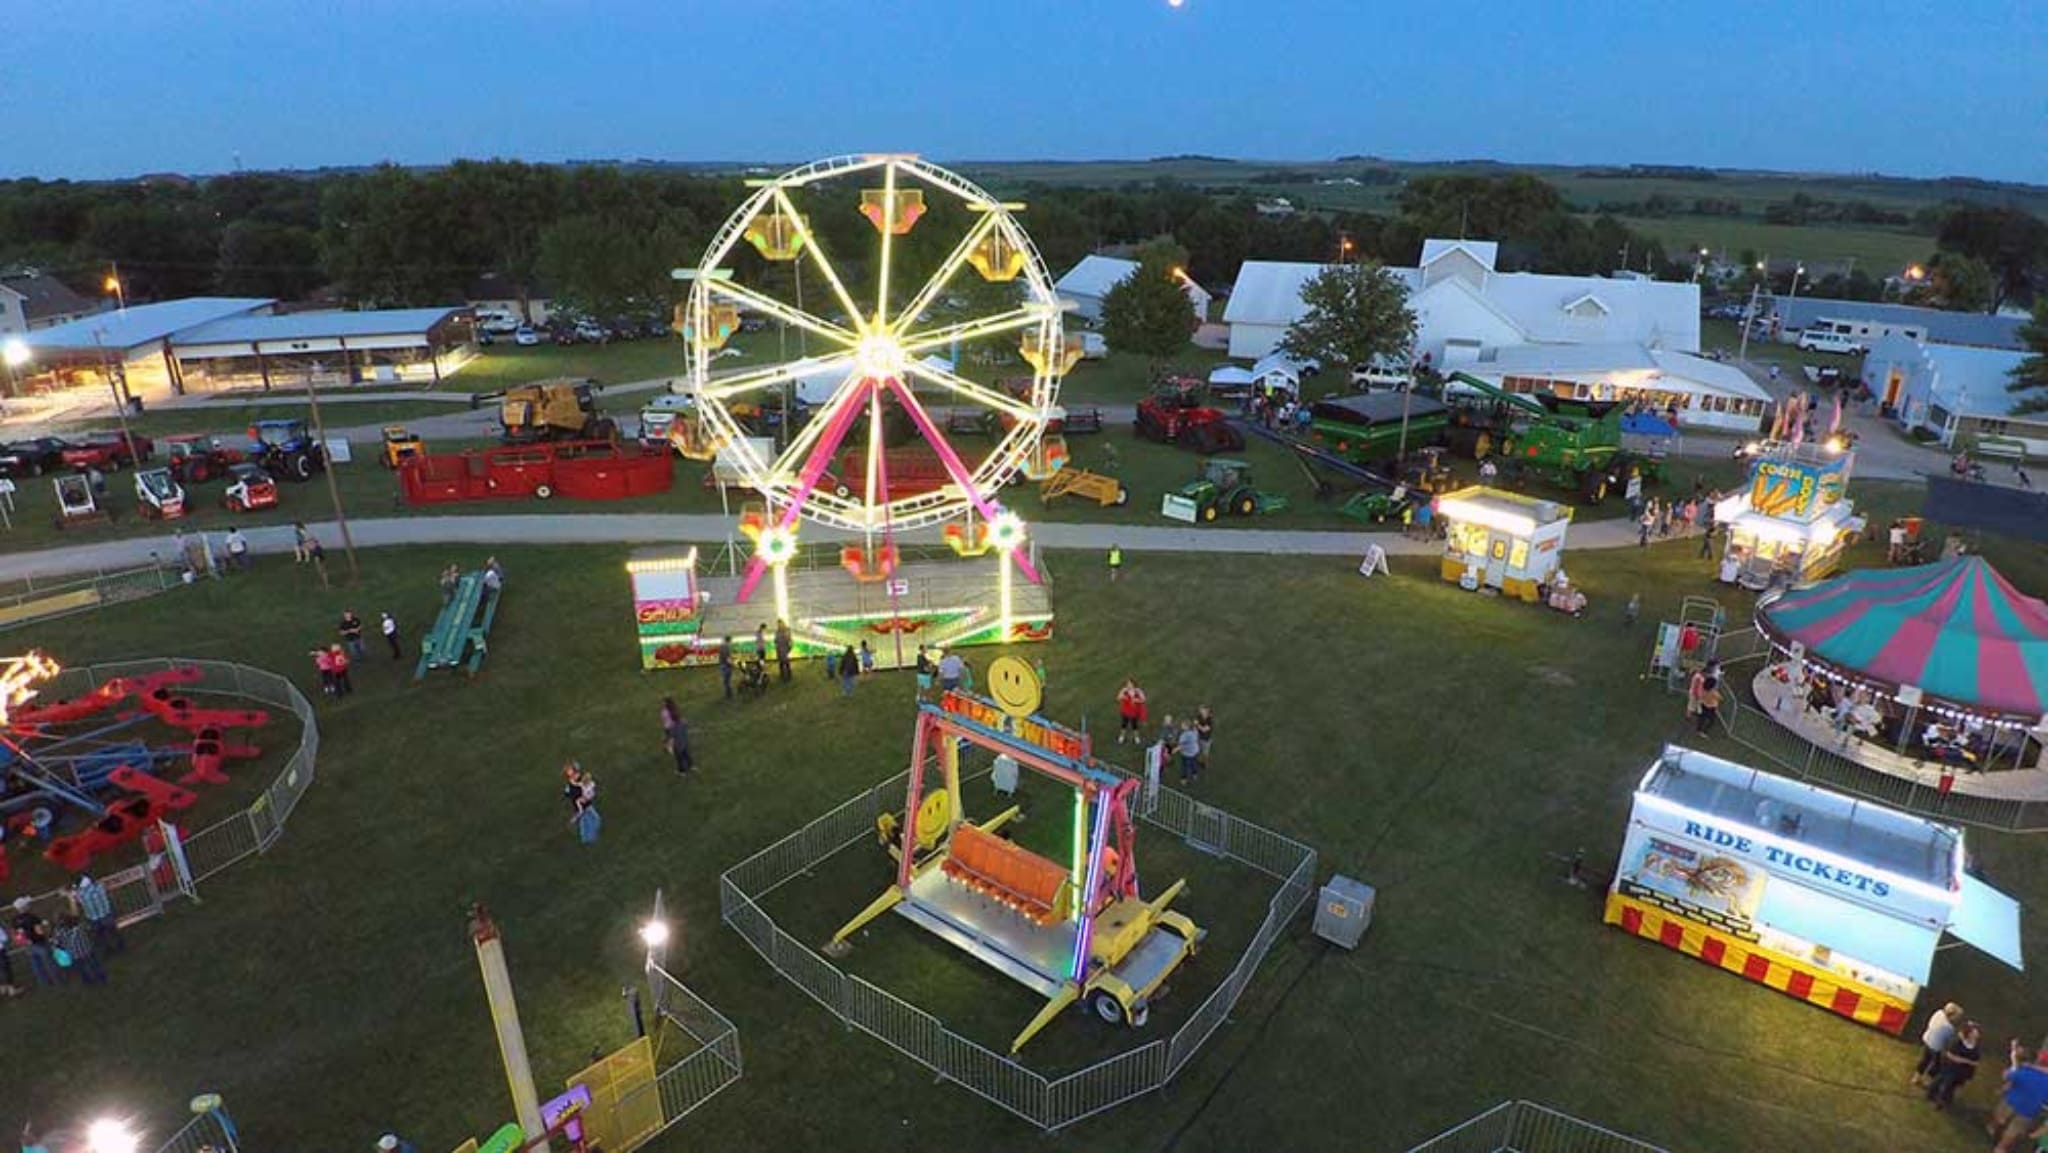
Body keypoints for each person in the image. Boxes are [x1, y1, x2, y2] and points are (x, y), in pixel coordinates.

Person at [1989, 1043, 2048, 1152]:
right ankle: (2000, 1148)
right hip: (2029, 1110)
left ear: (2040, 1061)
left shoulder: (2027, 1070)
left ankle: (1992, 1130)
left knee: (2000, 1118)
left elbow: (2007, 1075)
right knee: (2014, 1130)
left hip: (2011, 1101)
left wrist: (2010, 1071)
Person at [1927, 1020, 1982, 1109]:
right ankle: (1933, 1097)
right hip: (1950, 1067)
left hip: (1962, 1071)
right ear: (1969, 1033)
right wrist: (1968, 1061)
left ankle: (1945, 1100)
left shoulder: (1975, 1045)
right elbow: (1951, 1055)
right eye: (1975, 1032)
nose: (1977, 1034)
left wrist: (1970, 1064)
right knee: (1943, 1081)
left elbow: (1976, 1059)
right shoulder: (1958, 1042)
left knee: (1953, 1085)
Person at [70, 874, 122, 956]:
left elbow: (75, 897)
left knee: (100, 937)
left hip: (94, 919)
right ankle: (120, 947)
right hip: (106, 914)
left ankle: (107, 951)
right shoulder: (100, 887)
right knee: (113, 932)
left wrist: (72, 890)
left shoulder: (81, 894)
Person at [1914, 1001, 1964, 1085]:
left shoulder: (1938, 1013)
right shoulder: (1949, 1027)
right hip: (1936, 1048)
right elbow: (1948, 1041)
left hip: (1927, 1040)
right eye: (1957, 1017)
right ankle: (1927, 1081)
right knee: (1937, 1065)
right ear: (1952, 1015)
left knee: (1925, 1059)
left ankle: (1916, 1077)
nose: (1957, 1019)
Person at [11, 897, 57, 987]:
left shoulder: (15, 920)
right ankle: (57, 979)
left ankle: (43, 982)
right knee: (49, 962)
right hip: (39, 943)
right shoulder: (32, 917)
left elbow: (14, 933)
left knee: (36, 964)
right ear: (24, 907)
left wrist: (23, 941)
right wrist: (46, 928)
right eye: (27, 904)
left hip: (27, 945)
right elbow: (39, 931)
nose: (29, 905)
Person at [53, 913, 104, 986]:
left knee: (82, 970)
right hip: (87, 950)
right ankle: (101, 979)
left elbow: (57, 943)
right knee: (95, 965)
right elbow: (89, 929)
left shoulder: (58, 931)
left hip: (74, 955)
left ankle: (87, 982)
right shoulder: (79, 925)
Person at [659, 697, 693, 774]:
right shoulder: (680, 720)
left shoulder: (664, 713)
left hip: (677, 742)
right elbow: (685, 728)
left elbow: (671, 738)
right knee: (686, 754)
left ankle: (682, 771)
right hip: (684, 742)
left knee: (679, 757)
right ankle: (690, 765)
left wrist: (670, 746)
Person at [1116, 678, 1147, 745]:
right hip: (1125, 711)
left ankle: (1136, 738)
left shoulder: (1138, 691)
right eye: (1128, 684)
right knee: (1124, 725)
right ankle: (1121, 737)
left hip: (1134, 712)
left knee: (1134, 726)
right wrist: (1123, 696)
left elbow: (1143, 699)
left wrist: (1137, 700)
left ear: (1133, 684)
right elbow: (1118, 698)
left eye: (1130, 684)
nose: (1129, 686)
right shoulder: (1124, 690)